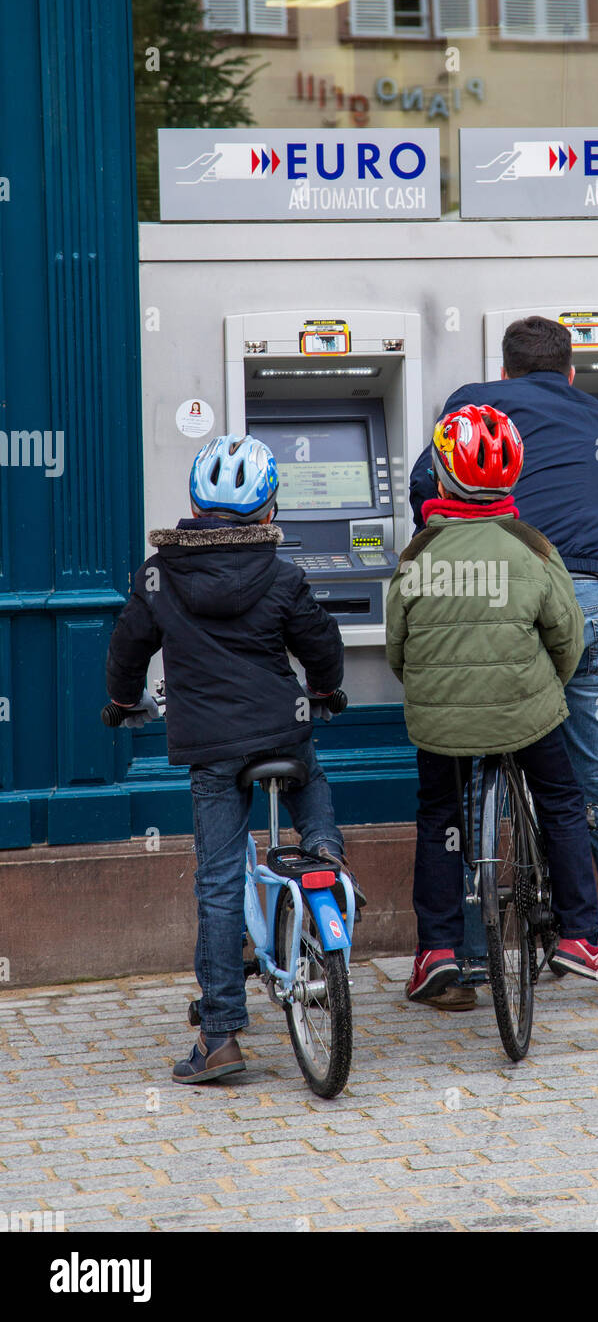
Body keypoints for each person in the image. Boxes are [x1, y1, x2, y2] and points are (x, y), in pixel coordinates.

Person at [409, 317, 598, 1005]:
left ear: (503, 372)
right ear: (572, 372)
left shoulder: (474, 401)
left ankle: (460, 962)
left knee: (467, 777)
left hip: (488, 596)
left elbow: (422, 496)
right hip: (583, 599)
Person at [105, 434, 358, 1083]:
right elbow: (320, 642)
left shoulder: (159, 574)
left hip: (210, 747)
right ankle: (325, 855)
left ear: (194, 504)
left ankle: (219, 1037)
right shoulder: (280, 574)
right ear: (269, 512)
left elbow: (129, 650)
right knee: (310, 770)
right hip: (281, 728)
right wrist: (326, 691)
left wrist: (121, 701)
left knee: (219, 883)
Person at [387, 403, 598, 1002]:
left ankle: (439, 951)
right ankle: (580, 934)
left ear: (441, 479)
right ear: (512, 478)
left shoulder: (418, 554)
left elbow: (398, 649)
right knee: (562, 803)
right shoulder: (533, 548)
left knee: (440, 816)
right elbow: (568, 640)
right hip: (527, 714)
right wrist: (546, 687)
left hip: (441, 723)